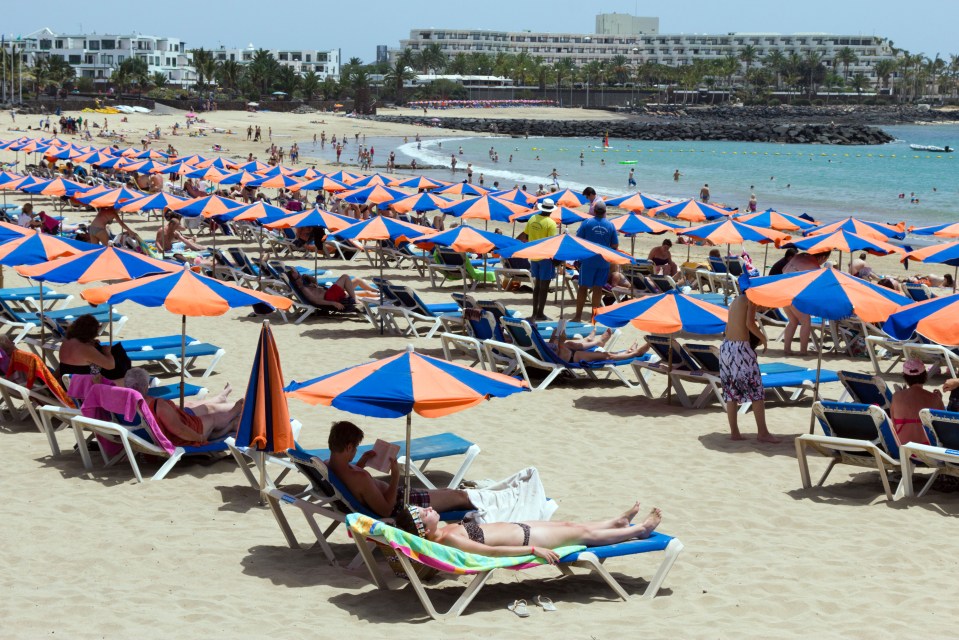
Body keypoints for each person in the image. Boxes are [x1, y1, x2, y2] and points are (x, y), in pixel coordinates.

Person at [395, 501, 662, 564]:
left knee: (571, 525)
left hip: (522, 527)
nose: (429, 508)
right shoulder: (449, 538)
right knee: (582, 535)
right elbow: (491, 552)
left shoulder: (443, 531)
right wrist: (533, 550)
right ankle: (640, 530)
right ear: (422, 527)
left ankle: (615, 523)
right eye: (424, 512)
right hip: (528, 539)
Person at [326, 421, 476, 517]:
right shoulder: (359, 478)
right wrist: (396, 476)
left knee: (448, 491)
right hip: (401, 505)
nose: (355, 451)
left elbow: (351, 485)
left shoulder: (328, 465)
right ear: (349, 447)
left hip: (399, 497)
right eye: (355, 448)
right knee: (459, 497)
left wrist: (361, 463)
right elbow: (385, 511)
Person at [123, 368, 243, 445]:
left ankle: (231, 422)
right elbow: (179, 430)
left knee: (203, 413)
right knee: (212, 418)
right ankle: (233, 413)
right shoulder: (157, 405)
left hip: (160, 436)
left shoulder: (127, 403)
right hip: (178, 439)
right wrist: (200, 439)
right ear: (146, 386)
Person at [720, 294, 780, 443]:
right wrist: (764, 339)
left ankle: (734, 432)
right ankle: (763, 432)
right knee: (756, 391)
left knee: (730, 391)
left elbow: (728, 327)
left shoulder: (735, 300)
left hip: (727, 347)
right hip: (741, 348)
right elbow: (749, 324)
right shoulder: (750, 299)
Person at [573, 200, 618, 323]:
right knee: (598, 288)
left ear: (594, 211)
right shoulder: (610, 225)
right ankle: (594, 317)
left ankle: (578, 316)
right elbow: (615, 245)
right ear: (605, 212)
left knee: (583, 287)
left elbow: (578, 240)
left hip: (588, 260)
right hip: (603, 261)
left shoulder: (587, 223)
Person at [781, 251, 829, 355]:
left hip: (783, 291)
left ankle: (787, 349)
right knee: (806, 322)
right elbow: (818, 287)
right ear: (823, 257)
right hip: (794, 295)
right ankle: (803, 351)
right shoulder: (815, 267)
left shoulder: (798, 256)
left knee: (793, 322)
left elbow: (784, 269)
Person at [57, 314, 130, 381]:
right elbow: (110, 365)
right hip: (83, 386)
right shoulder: (85, 348)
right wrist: (107, 352)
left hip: (67, 381)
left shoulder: (67, 341)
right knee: (118, 355)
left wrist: (91, 343)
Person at [889, 359, 943, 445]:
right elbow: (942, 428)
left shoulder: (896, 397)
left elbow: (894, 426)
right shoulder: (934, 398)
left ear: (905, 377)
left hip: (904, 449)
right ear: (925, 375)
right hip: (928, 451)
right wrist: (939, 400)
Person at [521, 198, 558, 321]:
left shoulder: (532, 219)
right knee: (544, 287)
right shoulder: (551, 223)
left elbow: (526, 235)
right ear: (551, 210)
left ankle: (534, 313)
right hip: (545, 257)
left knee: (537, 286)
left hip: (534, 255)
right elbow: (552, 243)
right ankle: (540, 314)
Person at [548, 325, 648, 363]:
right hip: (571, 357)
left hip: (562, 351)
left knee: (569, 343)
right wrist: (561, 339)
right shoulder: (543, 346)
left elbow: (556, 342)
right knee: (607, 356)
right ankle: (634, 354)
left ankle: (592, 341)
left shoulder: (539, 344)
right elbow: (559, 345)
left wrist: (559, 329)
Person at [286, 270, 376, 311]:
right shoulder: (304, 289)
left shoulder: (305, 283)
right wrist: (333, 303)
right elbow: (316, 300)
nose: (298, 274)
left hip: (330, 293)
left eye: (297, 272)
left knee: (357, 281)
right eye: (297, 275)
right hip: (330, 296)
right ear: (295, 280)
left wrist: (306, 276)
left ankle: (376, 291)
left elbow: (316, 282)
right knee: (345, 277)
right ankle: (354, 299)